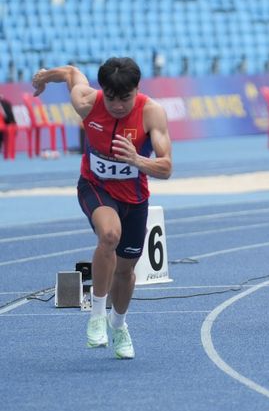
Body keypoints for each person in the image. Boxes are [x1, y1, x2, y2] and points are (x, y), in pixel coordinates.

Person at [31, 58, 173, 358]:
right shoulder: (86, 101)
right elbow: (71, 73)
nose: (118, 106)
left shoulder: (152, 113)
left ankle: (118, 325)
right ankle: (96, 315)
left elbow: (166, 167)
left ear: (137, 89)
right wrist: (45, 76)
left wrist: (137, 160)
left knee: (126, 272)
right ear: (102, 91)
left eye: (125, 98)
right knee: (109, 235)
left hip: (134, 199)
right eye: (111, 97)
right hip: (95, 187)